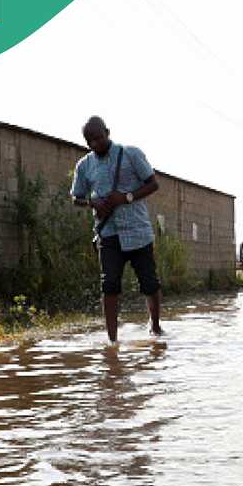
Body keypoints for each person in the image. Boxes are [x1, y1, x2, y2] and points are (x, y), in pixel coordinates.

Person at [70, 116, 164, 344]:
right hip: (108, 234)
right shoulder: (84, 165)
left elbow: (153, 183)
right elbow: (75, 197)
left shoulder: (131, 154)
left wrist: (126, 197)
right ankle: (112, 342)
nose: (95, 144)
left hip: (138, 232)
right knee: (109, 285)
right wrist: (93, 203)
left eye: (98, 138)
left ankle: (155, 327)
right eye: (89, 140)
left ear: (108, 132)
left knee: (149, 283)